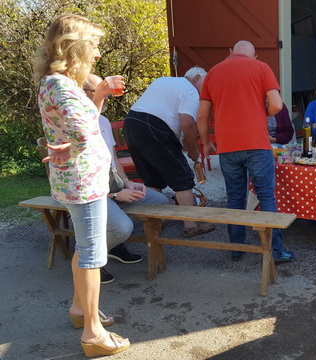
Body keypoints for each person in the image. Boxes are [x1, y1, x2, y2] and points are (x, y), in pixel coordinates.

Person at [33, 14, 130, 356]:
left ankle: (79, 310)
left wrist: (99, 95)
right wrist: (71, 145)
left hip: (79, 180)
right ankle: (92, 333)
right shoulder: (60, 84)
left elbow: (86, 118)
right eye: (94, 45)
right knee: (92, 254)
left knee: (86, 248)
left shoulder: (58, 82)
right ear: (75, 47)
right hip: (82, 182)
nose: (98, 53)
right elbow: (82, 130)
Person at [197, 40, 294, 263]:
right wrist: (262, 112)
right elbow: (277, 105)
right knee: (266, 196)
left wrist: (205, 143)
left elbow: (201, 116)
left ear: (230, 52)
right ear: (254, 56)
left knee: (235, 198)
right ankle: (275, 251)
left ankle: (237, 249)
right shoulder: (261, 68)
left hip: (228, 148)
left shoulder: (213, 73)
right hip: (258, 146)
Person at [83, 74, 171, 283]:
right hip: (92, 191)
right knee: (123, 227)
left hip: (114, 185)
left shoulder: (103, 121)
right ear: (84, 94)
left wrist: (127, 183)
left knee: (161, 203)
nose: (105, 99)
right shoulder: (79, 125)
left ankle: (113, 242)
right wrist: (115, 195)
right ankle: (93, 260)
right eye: (101, 92)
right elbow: (82, 175)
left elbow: (114, 159)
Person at [123, 66, 215, 238]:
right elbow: (188, 123)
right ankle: (191, 225)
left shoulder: (163, 80)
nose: (207, 89)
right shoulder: (191, 91)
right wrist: (194, 152)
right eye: (206, 83)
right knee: (182, 178)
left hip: (131, 123)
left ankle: (155, 222)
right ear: (197, 78)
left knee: (152, 178)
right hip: (155, 128)